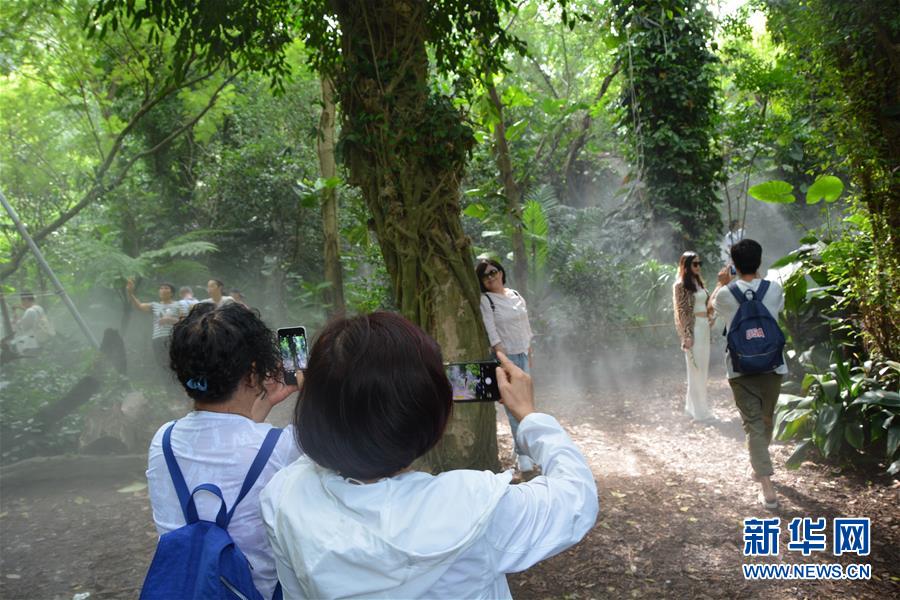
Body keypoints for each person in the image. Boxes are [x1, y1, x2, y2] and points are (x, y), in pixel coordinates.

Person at [260, 312, 597, 599]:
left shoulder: (284, 498)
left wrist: (334, 396)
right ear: (433, 417)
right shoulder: (475, 509)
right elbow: (577, 499)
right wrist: (530, 416)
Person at [146, 302, 300, 598]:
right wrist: (306, 387)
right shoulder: (282, 448)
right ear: (253, 372)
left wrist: (264, 403)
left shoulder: (162, 441)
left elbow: (231, 446)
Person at [711, 239, 787, 509]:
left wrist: (721, 282)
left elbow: (711, 311)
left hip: (740, 370)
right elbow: (775, 311)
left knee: (754, 424)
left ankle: (763, 478)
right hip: (773, 367)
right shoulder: (775, 289)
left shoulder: (724, 295)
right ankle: (765, 481)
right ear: (760, 260)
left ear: (733, 264)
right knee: (765, 420)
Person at [476, 258, 536, 473]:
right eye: (485, 275)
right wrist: (506, 361)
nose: (491, 277)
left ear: (501, 272)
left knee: (527, 406)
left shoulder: (516, 295)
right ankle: (524, 457)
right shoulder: (487, 300)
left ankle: (520, 447)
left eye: (493, 271)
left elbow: (525, 326)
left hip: (522, 353)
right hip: (506, 358)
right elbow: (492, 334)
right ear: (482, 281)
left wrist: (529, 352)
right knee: (514, 408)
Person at [673, 252, 715, 422]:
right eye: (695, 264)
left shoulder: (699, 283)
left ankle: (692, 408)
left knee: (702, 370)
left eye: (700, 263)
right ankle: (700, 412)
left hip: (704, 327)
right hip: (694, 329)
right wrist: (687, 336)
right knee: (695, 370)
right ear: (686, 266)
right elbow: (682, 312)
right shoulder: (680, 285)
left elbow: (707, 305)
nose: (698, 267)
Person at [126, 279, 182, 370]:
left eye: (166, 288)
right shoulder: (154, 305)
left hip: (174, 337)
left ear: (171, 293)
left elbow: (185, 322)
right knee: (161, 363)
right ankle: (166, 383)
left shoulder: (178, 305)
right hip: (158, 338)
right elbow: (139, 306)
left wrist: (170, 320)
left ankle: (178, 382)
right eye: (161, 288)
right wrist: (130, 293)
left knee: (175, 361)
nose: (162, 290)